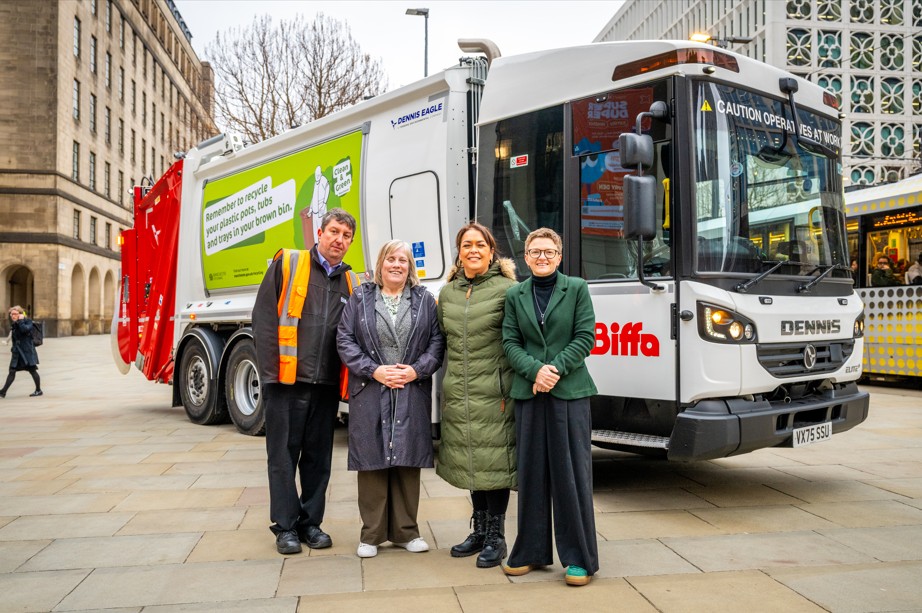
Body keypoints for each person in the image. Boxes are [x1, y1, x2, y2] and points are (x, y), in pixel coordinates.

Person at [252, 208, 359, 555]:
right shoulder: (289, 263)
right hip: (286, 381)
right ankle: (285, 527)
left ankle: (310, 523)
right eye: (334, 232)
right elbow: (265, 319)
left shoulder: (351, 282)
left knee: (317, 458)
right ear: (320, 233)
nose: (338, 240)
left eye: (346, 236)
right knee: (282, 456)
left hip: (326, 384)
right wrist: (270, 374)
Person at [501, 228, 599, 587]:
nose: (541, 257)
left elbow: (585, 336)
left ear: (559, 256)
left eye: (548, 251)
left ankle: (579, 559)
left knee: (571, 476)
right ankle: (530, 552)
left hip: (569, 393)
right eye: (535, 251)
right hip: (529, 393)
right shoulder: (515, 294)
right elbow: (510, 341)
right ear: (525, 257)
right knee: (531, 475)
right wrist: (533, 371)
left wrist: (553, 369)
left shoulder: (576, 289)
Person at [337, 240, 445, 558]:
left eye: (403, 260)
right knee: (372, 460)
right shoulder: (360, 297)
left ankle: (406, 532)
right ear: (380, 264)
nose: (397, 265)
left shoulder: (425, 300)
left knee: (407, 459)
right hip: (371, 388)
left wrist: (415, 371)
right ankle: (370, 535)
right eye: (391, 259)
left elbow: (437, 342)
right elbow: (344, 339)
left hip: (410, 388)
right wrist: (374, 371)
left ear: (410, 267)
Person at [437, 222, 518, 568]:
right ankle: (480, 530)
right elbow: (441, 338)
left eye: (479, 245)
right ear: (459, 251)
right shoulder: (448, 292)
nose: (473, 250)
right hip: (460, 391)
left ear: (491, 250)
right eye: (466, 245)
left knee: (494, 462)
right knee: (473, 460)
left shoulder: (508, 289)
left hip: (495, 391)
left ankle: (497, 536)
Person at [0, 306, 42, 398]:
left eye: (15, 314)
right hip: (17, 352)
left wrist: (21, 321)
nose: (12, 316)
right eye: (11, 314)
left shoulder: (28, 322)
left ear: (20, 314)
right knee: (12, 371)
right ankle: (3, 392)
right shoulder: (14, 324)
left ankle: (38, 390)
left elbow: (25, 330)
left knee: (32, 370)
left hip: (27, 352)